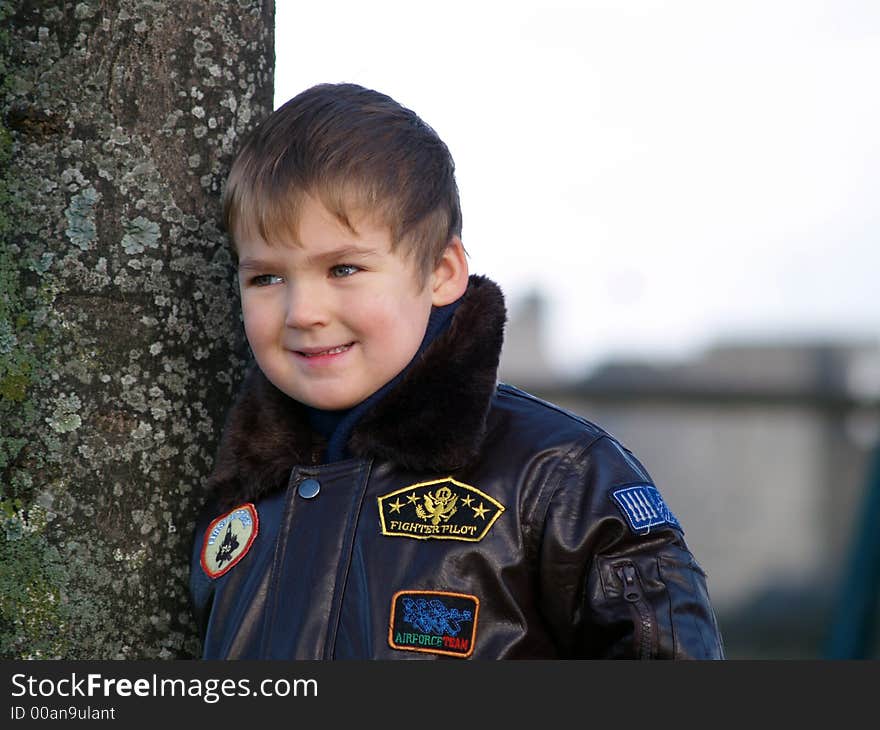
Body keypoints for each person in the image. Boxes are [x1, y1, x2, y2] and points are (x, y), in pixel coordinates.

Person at [189, 82, 724, 660]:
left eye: (343, 269)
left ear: (442, 272)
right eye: (266, 278)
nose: (303, 313)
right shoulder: (238, 494)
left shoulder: (561, 478)